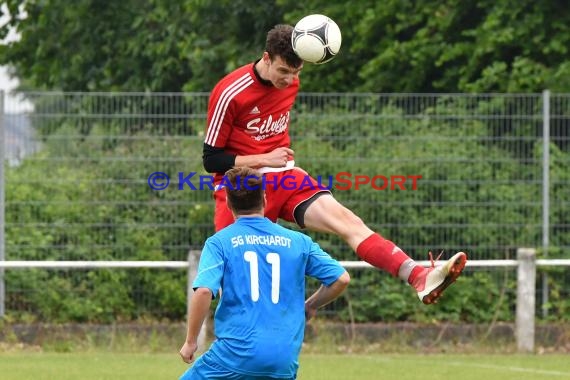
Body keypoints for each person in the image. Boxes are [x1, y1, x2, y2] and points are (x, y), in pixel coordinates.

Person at [202, 23, 467, 305]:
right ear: (266, 58)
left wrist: (283, 166)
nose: (290, 80)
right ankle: (229, 340)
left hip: (285, 178)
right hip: (243, 186)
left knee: (349, 223)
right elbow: (211, 159)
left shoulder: (290, 82)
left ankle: (417, 276)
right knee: (234, 281)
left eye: (297, 72)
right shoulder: (230, 92)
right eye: (283, 71)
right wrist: (264, 160)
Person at [179, 166, 350, 380]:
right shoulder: (299, 242)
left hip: (234, 356)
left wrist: (190, 342)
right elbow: (340, 278)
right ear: (265, 199)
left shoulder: (219, 243)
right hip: (283, 360)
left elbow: (204, 291)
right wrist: (310, 306)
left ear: (229, 203)